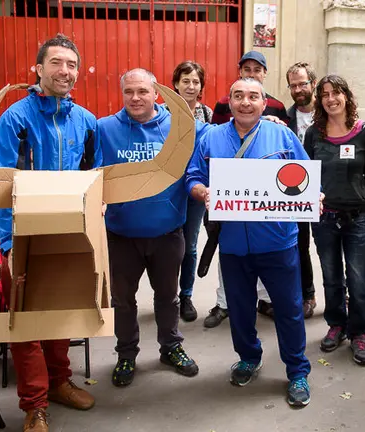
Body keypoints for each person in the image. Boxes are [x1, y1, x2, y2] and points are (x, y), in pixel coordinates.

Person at [0, 34, 99, 432]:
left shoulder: (86, 122)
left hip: (69, 235)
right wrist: (8, 242)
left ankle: (59, 382)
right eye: (56, 63)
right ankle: (34, 405)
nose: (64, 71)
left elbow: (96, 179)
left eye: (71, 64)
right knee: (25, 323)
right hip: (23, 236)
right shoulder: (15, 118)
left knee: (60, 314)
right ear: (38, 68)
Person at [187, 77, 313, 407]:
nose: (246, 102)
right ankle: (248, 358)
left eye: (253, 96)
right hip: (232, 244)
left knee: (289, 309)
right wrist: (202, 191)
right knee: (240, 309)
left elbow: (305, 175)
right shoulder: (211, 137)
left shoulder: (282, 135)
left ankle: (297, 371)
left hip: (278, 241)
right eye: (239, 96)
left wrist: (315, 194)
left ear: (264, 102)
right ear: (229, 102)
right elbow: (194, 175)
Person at [99, 68, 205, 388]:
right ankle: (126, 354)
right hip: (122, 235)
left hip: (167, 234)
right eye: (129, 91)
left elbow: (221, 134)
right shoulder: (104, 129)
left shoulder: (180, 128)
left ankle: (170, 347)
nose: (135, 98)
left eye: (142, 91)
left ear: (156, 93)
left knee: (168, 297)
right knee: (123, 301)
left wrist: (267, 120)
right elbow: (89, 172)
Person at [204, 50, 285, 327]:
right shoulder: (224, 103)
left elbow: (286, 152)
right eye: (246, 69)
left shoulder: (277, 106)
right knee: (228, 251)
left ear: (264, 73)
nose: (251, 73)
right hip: (229, 195)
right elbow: (216, 139)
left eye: (257, 69)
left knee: (264, 249)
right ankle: (224, 303)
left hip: (265, 197)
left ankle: (265, 300)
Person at [304, 75, 365, 365]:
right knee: (332, 276)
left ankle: (358, 331)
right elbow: (306, 174)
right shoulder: (314, 134)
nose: (330, 99)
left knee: (358, 279)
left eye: (335, 93)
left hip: (357, 218)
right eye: (324, 94)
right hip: (324, 218)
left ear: (346, 96)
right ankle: (336, 325)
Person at [171, 60, 213, 322]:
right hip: (168, 188)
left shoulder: (207, 114)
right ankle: (167, 295)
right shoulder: (163, 112)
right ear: (176, 84)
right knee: (166, 245)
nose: (190, 86)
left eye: (195, 82)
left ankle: (186, 295)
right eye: (185, 81)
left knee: (190, 244)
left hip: (196, 189)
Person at [286, 61, 319, 318]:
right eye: (293, 85)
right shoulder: (285, 118)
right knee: (300, 245)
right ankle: (308, 294)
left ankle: (342, 299)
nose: (298, 89)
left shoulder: (329, 113)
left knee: (332, 248)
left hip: (327, 188)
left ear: (313, 84)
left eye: (302, 84)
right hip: (296, 190)